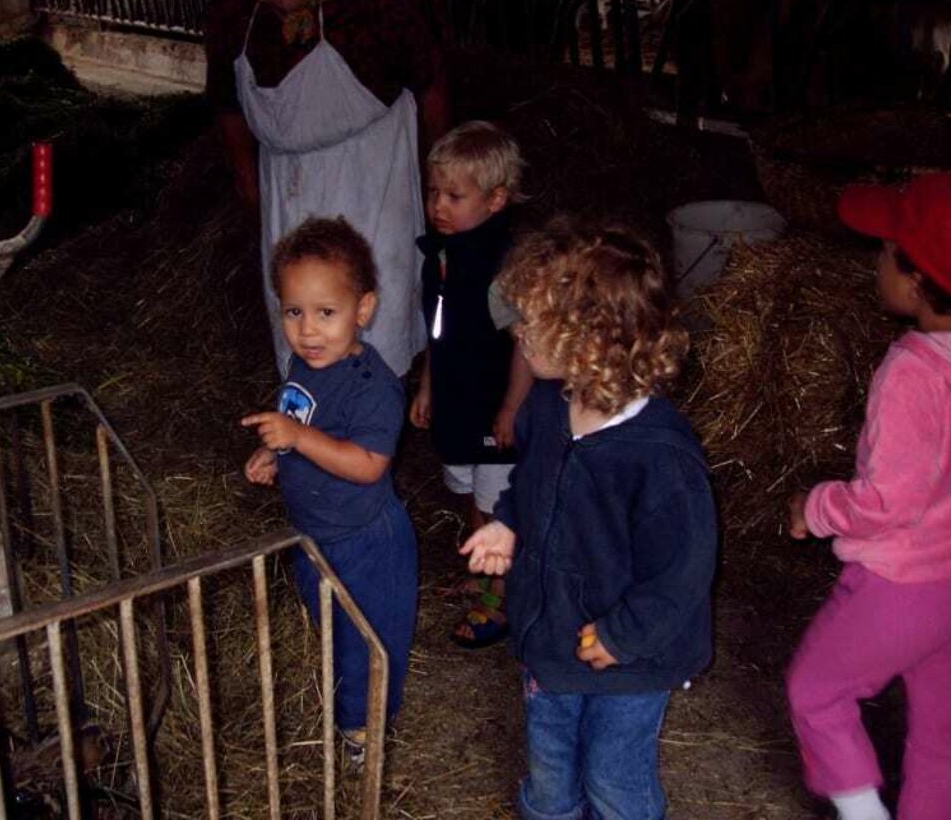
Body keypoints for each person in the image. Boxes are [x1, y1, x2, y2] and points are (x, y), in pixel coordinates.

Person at [461, 219, 717, 820]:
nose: (518, 331)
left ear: (593, 336)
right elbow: (532, 483)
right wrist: (507, 522)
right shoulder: (548, 407)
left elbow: (684, 571)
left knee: (613, 777)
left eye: (534, 321)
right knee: (550, 771)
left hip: (631, 658)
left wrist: (622, 634)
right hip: (552, 639)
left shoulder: (660, 457)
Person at [204, 0, 451, 379]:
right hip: (287, 189)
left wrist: (438, 177)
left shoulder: (373, 5)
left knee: (371, 318)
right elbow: (227, 104)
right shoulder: (234, 13)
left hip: (372, 185)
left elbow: (431, 84)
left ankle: (375, 429)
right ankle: (314, 429)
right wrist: (248, 180)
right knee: (303, 321)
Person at [786, 173, 951, 820]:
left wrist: (814, 505)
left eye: (884, 250)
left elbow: (888, 502)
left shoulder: (913, 372)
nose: (875, 260)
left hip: (901, 580)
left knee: (816, 692)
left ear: (915, 280)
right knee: (941, 734)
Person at [241, 216, 418, 767]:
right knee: (332, 631)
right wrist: (277, 450)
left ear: (363, 310)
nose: (308, 330)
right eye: (294, 312)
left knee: (369, 641)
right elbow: (300, 416)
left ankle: (367, 732)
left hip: (367, 541)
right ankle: (350, 709)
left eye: (326, 313)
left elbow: (367, 465)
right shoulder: (304, 364)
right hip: (316, 533)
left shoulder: (374, 388)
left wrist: (297, 436)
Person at [409, 120, 533, 648]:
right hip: (457, 399)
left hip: (491, 406)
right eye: (434, 191)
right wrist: (426, 386)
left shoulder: (499, 268)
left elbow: (528, 345)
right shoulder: (440, 257)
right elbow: (439, 333)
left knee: (496, 499)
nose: (439, 205)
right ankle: (484, 568)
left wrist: (511, 408)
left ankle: (498, 597)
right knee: (469, 491)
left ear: (496, 200)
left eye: (454, 195)